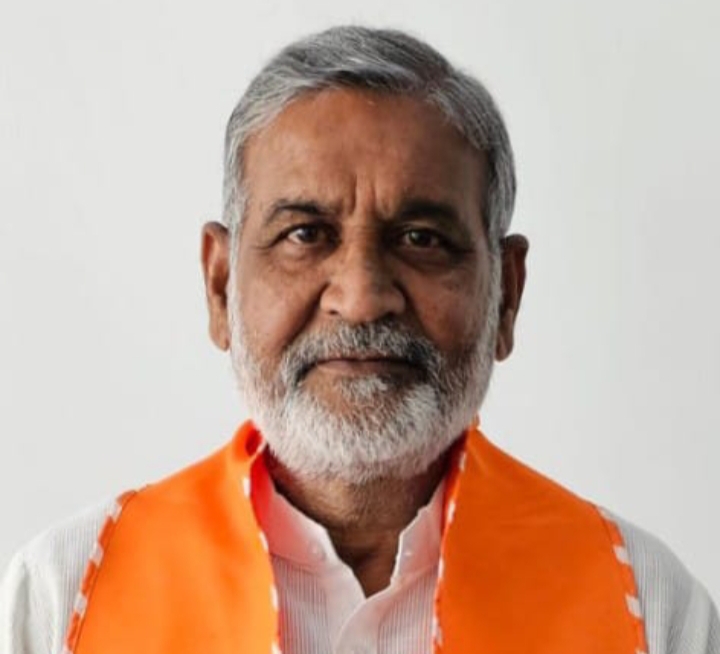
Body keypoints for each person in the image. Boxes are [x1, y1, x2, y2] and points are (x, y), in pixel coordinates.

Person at [1, 25, 717, 654]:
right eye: (305, 234)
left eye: (421, 238)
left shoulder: (647, 609)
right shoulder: (64, 599)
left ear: (507, 294)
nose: (362, 296)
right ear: (220, 286)